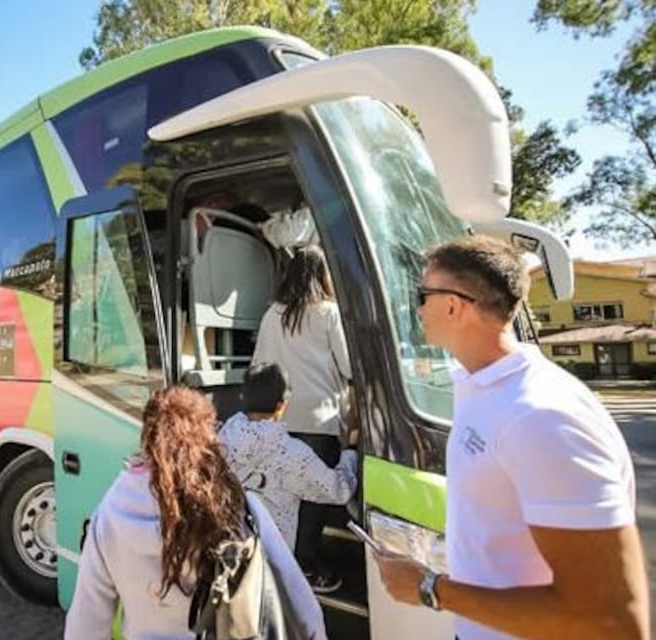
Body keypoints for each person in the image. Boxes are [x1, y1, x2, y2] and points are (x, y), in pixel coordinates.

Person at [375, 236, 649, 640]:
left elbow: (611, 623)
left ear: (454, 305)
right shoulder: (480, 387)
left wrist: (430, 588)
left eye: (422, 295)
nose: (415, 309)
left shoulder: (540, 417)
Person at [64, 385, 326, 640]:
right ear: (206, 438)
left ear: (148, 438)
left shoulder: (110, 511)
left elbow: (86, 624)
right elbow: (302, 603)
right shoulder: (236, 505)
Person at [252, 245, 352, 589]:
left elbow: (259, 366)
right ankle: (306, 565)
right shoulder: (328, 313)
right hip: (318, 420)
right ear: (322, 274)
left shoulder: (270, 315)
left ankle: (277, 562)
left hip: (278, 418)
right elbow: (350, 367)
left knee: (280, 497)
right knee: (313, 499)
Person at [219, 362, 360, 593]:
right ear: (282, 405)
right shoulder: (292, 453)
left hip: (228, 555)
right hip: (272, 565)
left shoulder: (221, 438)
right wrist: (349, 452)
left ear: (243, 395)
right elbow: (339, 490)